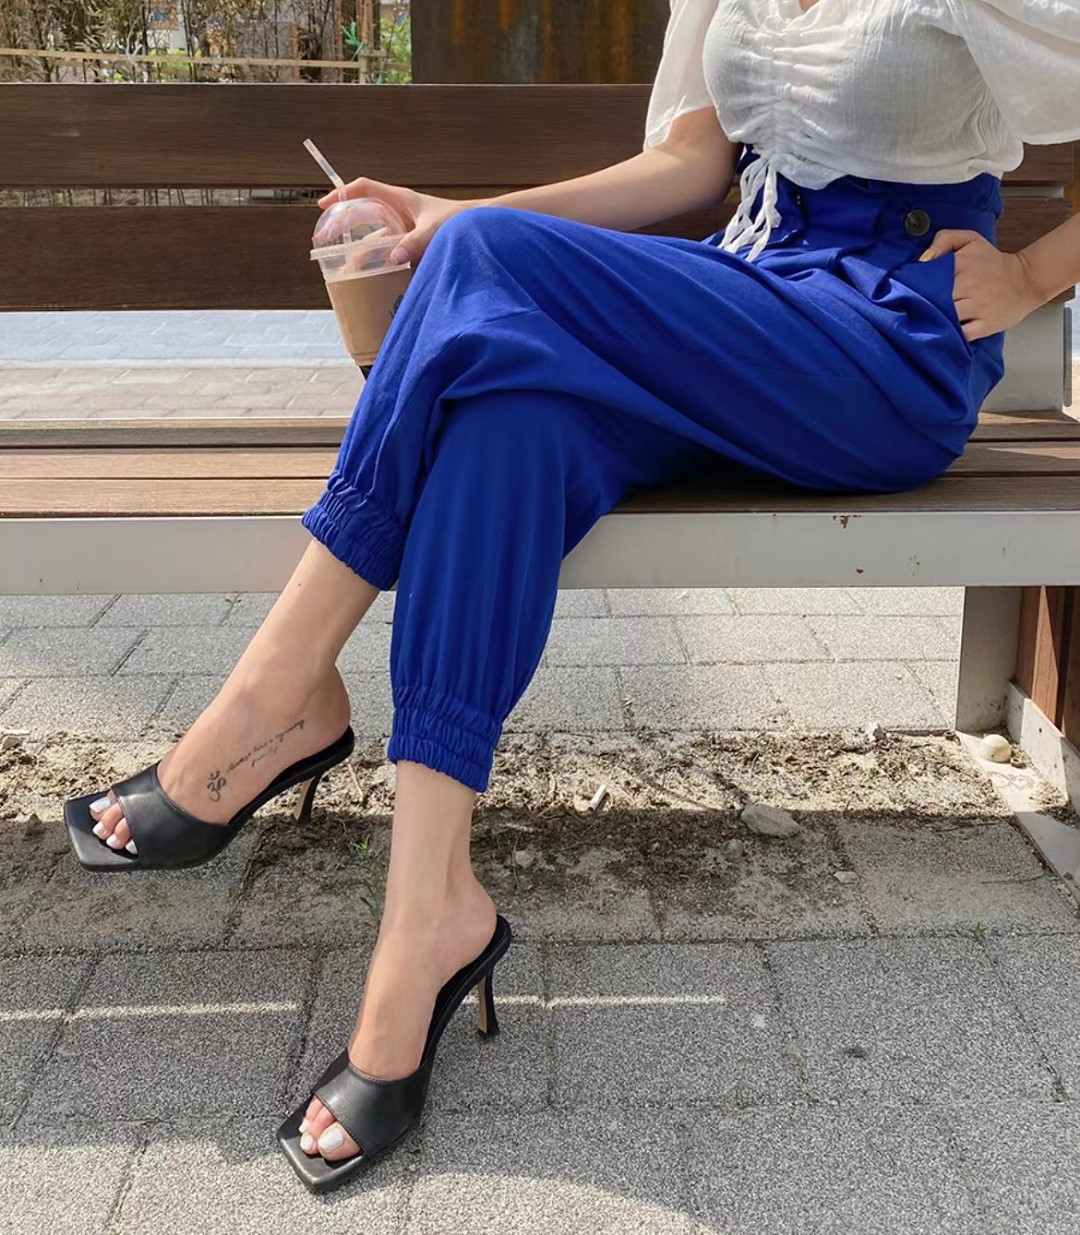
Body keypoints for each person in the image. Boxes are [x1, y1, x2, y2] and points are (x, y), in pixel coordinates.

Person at [63, 0, 1080, 1193]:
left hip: (876, 340)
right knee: (509, 422)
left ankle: (276, 692)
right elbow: (687, 166)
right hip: (735, 299)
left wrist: (1032, 274)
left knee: (484, 257)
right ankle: (429, 912)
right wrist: (450, 216)